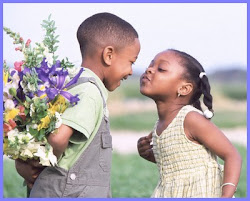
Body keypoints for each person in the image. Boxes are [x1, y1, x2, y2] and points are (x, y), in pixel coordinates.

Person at [15, 12, 140, 198]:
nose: (130, 71)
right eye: (131, 62)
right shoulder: (89, 92)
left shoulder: (66, 82)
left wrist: (24, 163)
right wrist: (41, 166)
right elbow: (57, 139)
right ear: (109, 55)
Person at [137, 49, 242, 198]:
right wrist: (150, 155)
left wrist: (226, 196)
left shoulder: (191, 118)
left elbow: (232, 155)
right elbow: (179, 165)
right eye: (151, 65)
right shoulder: (159, 125)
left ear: (184, 89)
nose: (149, 70)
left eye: (161, 69)